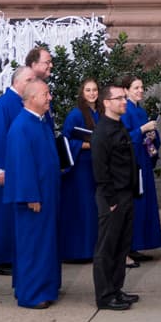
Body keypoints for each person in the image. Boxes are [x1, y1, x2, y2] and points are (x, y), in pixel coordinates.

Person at [4, 79, 61, 309]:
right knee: (32, 246)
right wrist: (30, 196)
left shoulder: (39, 122)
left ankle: (44, 287)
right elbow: (21, 165)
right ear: (32, 98)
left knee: (44, 245)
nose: (50, 98)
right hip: (33, 199)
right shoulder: (21, 127)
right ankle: (32, 294)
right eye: (46, 94)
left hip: (47, 194)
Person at [0, 65, 35, 275]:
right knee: (0, 215)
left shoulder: (22, 103)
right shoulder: (2, 105)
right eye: (29, 80)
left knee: (12, 214)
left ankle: (13, 254)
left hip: (19, 168)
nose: (32, 83)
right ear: (17, 82)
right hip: (3, 170)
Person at [91, 82, 140, 311]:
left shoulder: (119, 126)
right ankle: (104, 295)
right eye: (119, 98)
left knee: (122, 246)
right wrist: (111, 200)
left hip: (126, 194)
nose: (124, 101)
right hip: (112, 197)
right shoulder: (102, 132)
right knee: (107, 248)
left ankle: (116, 289)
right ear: (107, 103)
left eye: (124, 97)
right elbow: (101, 170)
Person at [121, 74, 161, 260]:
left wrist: (152, 137)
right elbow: (123, 138)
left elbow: (145, 137)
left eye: (141, 87)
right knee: (134, 205)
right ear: (126, 90)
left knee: (144, 205)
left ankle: (138, 245)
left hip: (144, 161)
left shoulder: (140, 111)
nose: (140, 91)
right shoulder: (125, 110)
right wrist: (142, 130)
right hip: (132, 163)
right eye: (135, 88)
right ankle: (128, 247)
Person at [58, 78, 100, 263]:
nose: (92, 93)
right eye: (88, 90)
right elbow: (65, 142)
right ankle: (77, 251)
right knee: (81, 209)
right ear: (82, 93)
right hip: (79, 168)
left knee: (93, 209)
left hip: (94, 166)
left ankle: (92, 248)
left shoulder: (100, 113)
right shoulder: (75, 115)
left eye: (95, 90)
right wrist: (86, 145)